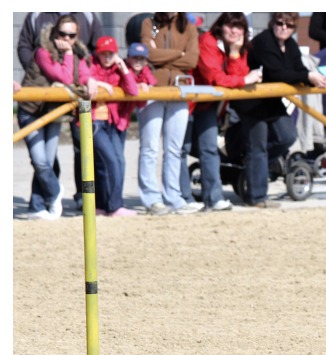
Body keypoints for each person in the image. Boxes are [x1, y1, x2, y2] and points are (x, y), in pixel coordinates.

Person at [237, 12, 326, 207]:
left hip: (270, 100)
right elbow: (276, 73)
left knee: (287, 136)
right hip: (251, 100)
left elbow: (296, 67)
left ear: (294, 28)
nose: (284, 27)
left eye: (289, 25)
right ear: (272, 23)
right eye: (280, 23)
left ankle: (253, 167)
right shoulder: (264, 41)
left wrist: (307, 76)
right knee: (258, 148)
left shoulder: (291, 45)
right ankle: (257, 197)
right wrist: (308, 75)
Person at [17, 12, 104, 212]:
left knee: (47, 160)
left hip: (55, 111)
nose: (66, 39)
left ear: (77, 36)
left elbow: (83, 75)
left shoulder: (80, 54)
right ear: (55, 32)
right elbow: (64, 76)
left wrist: (91, 79)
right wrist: (70, 55)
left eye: (71, 36)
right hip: (31, 110)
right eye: (62, 34)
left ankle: (40, 207)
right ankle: (56, 192)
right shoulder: (43, 51)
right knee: (40, 162)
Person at [190, 12, 262, 211]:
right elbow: (215, 78)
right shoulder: (207, 41)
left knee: (209, 150)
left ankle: (213, 199)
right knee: (180, 150)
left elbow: (236, 77)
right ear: (220, 26)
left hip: (213, 106)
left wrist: (234, 53)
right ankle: (183, 198)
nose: (234, 31)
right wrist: (244, 79)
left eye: (239, 27)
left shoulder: (238, 47)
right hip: (193, 102)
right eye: (230, 25)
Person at [136, 12, 201, 215]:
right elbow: (148, 55)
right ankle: (151, 198)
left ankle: (173, 197)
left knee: (174, 149)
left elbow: (192, 60)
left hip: (179, 92)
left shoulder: (189, 27)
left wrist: (164, 57)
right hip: (153, 91)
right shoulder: (149, 23)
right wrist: (178, 54)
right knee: (149, 147)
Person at [86, 35, 139, 217]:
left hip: (114, 122)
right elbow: (81, 81)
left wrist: (123, 67)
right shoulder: (91, 66)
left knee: (117, 162)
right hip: (95, 122)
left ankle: (105, 205)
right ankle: (114, 206)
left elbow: (133, 90)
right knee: (110, 161)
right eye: (104, 54)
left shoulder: (118, 68)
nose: (107, 58)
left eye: (111, 54)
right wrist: (99, 83)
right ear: (97, 54)